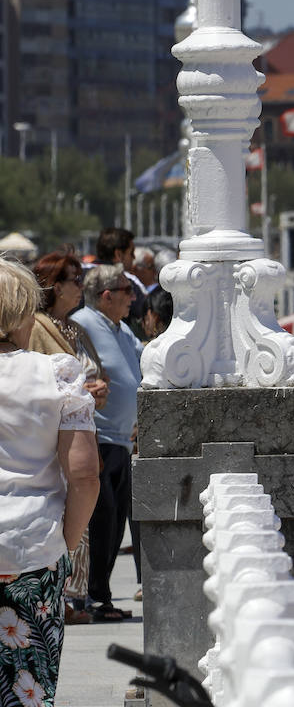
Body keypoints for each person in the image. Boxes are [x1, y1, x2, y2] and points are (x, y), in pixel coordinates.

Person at [0, 257, 100, 707]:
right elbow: (84, 475)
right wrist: (65, 539)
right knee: (27, 700)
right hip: (31, 551)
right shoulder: (58, 374)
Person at [28, 252, 109, 625]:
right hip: (58, 439)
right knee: (69, 507)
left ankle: (73, 596)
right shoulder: (38, 327)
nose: (81, 286)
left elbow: (93, 372)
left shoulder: (76, 328)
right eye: (75, 280)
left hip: (86, 429)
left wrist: (97, 391)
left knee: (84, 516)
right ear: (55, 286)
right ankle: (60, 597)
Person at [70, 263, 143, 623]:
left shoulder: (122, 329)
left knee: (114, 525)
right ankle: (94, 596)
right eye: (127, 291)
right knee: (102, 520)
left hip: (122, 440)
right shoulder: (82, 323)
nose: (133, 297)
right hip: (98, 437)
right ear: (106, 295)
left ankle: (101, 594)